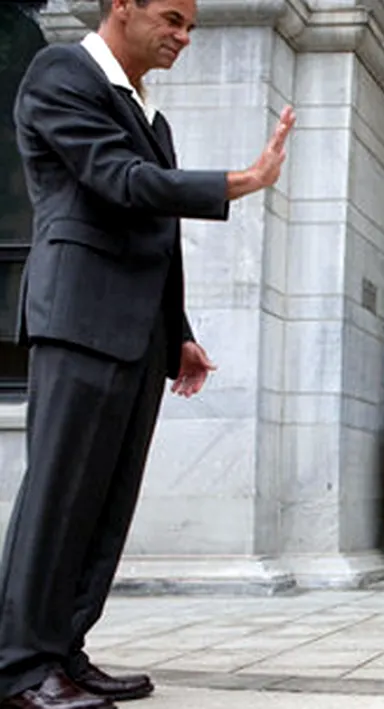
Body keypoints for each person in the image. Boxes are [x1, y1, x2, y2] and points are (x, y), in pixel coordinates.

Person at [1, 0, 296, 705]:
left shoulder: (148, 115)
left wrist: (179, 332)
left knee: (105, 504)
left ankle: (64, 652)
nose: (184, 37)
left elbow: (152, 232)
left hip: (136, 332)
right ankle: (18, 667)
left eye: (191, 26)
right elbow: (119, 182)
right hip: (78, 320)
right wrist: (239, 181)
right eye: (172, 18)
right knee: (58, 498)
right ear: (121, 6)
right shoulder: (59, 74)